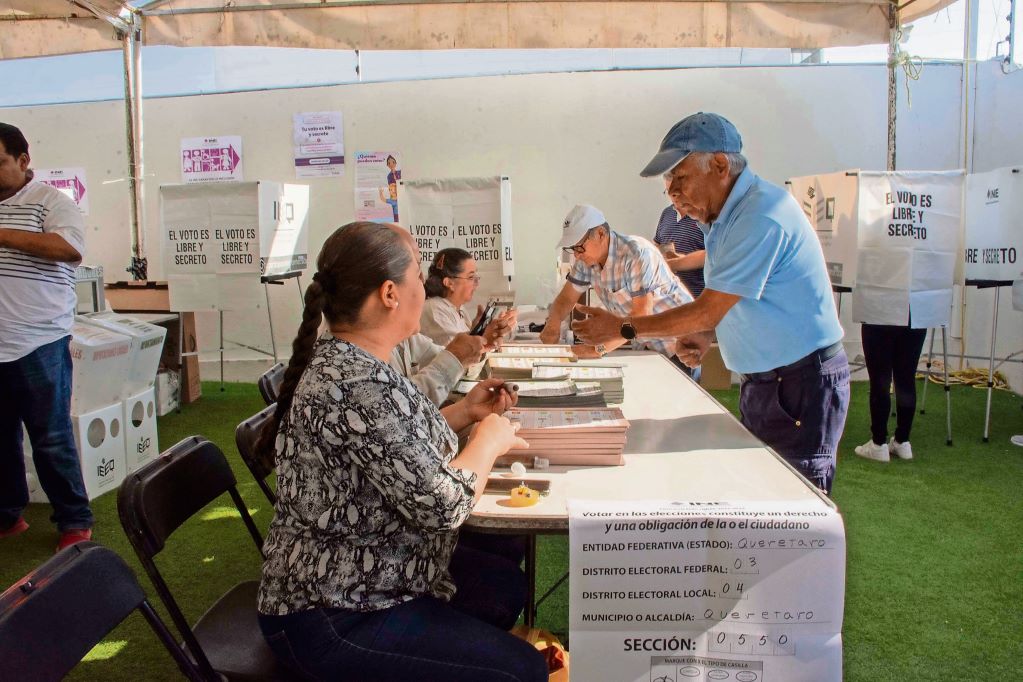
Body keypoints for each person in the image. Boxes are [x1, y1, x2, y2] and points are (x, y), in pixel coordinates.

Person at [256, 222, 547, 682]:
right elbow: (443, 505)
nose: (423, 286)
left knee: (501, 587)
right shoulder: (356, 382)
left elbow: (394, 443)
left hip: (378, 576)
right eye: (416, 275)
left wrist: (466, 412)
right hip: (337, 610)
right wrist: (489, 440)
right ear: (390, 293)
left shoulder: (359, 362)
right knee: (524, 670)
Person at [573, 112, 850, 495]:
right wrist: (704, 333)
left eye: (679, 179)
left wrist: (622, 327)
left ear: (720, 165)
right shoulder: (723, 220)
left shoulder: (761, 216)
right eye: (668, 185)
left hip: (801, 381)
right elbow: (731, 298)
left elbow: (710, 306)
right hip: (769, 381)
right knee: (760, 496)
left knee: (793, 508)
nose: (672, 195)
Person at [0, 122, 94, 550]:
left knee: (50, 437)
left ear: (23, 161)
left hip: (38, 341)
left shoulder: (51, 201)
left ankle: (74, 520)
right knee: (0, 438)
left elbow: (68, 249)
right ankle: (7, 514)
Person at [540, 204, 694, 363]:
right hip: (644, 344)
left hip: (679, 344)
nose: (577, 255)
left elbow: (641, 315)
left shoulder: (637, 253)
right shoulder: (585, 261)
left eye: (580, 247)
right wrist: (553, 323)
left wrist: (597, 349)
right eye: (572, 249)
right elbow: (566, 298)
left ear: (600, 233)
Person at [853, 324, 928, 462]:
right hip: (915, 313)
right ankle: (902, 441)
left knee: (880, 381)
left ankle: (878, 443)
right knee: (906, 379)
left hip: (880, 314)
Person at [420, 247, 516, 347]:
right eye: (471, 277)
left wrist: (478, 328)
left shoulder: (458, 308)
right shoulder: (435, 310)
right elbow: (459, 354)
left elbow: (468, 342)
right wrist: (487, 334)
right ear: (449, 283)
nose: (476, 283)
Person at [390, 332, 487, 406]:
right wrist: (456, 357)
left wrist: (483, 341)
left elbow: (441, 355)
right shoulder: (435, 311)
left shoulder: (407, 336)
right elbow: (402, 406)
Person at [654, 205, 706, 298]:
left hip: (697, 296)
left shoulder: (705, 214)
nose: (674, 195)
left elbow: (711, 255)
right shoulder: (667, 212)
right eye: (668, 191)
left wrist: (671, 264)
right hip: (669, 297)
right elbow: (657, 243)